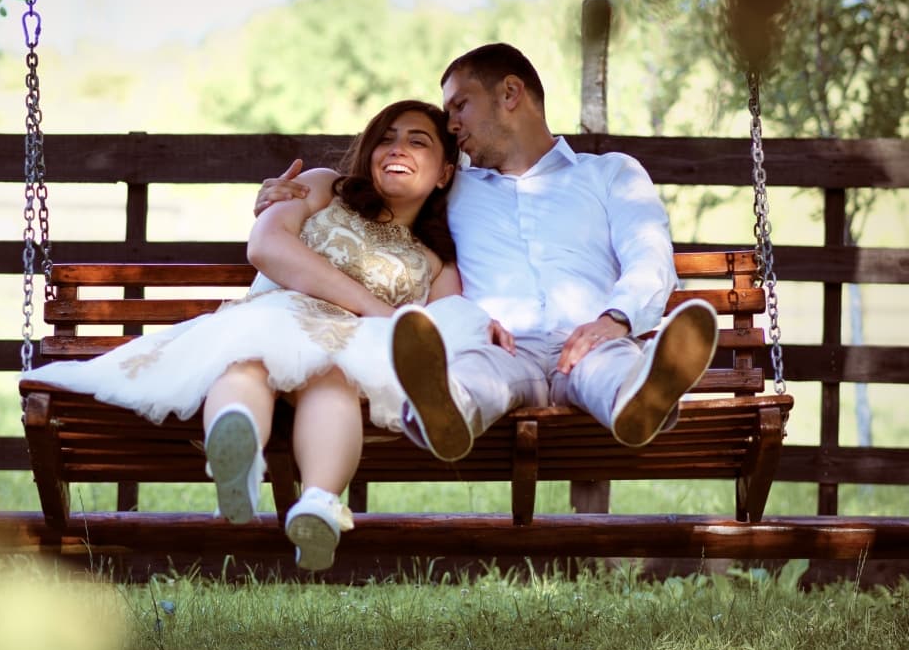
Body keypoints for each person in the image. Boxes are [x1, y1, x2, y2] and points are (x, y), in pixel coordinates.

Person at [23, 99, 493, 570]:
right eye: (386, 138)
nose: (397, 148)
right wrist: (376, 309)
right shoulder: (324, 187)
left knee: (333, 379)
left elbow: (442, 331)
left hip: (348, 345)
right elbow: (267, 245)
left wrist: (485, 326)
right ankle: (237, 456)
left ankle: (319, 503)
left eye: (418, 141)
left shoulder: (436, 262)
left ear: (444, 174)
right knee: (246, 361)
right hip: (274, 313)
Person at [255, 43, 718, 461]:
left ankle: (639, 397)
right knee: (473, 378)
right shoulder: (449, 184)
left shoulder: (611, 174)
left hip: (592, 340)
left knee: (613, 368)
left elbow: (648, 256)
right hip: (502, 348)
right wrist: (281, 196)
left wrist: (614, 320)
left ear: (510, 93)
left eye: (460, 105)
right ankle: (443, 410)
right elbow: (376, 196)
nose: (451, 124)